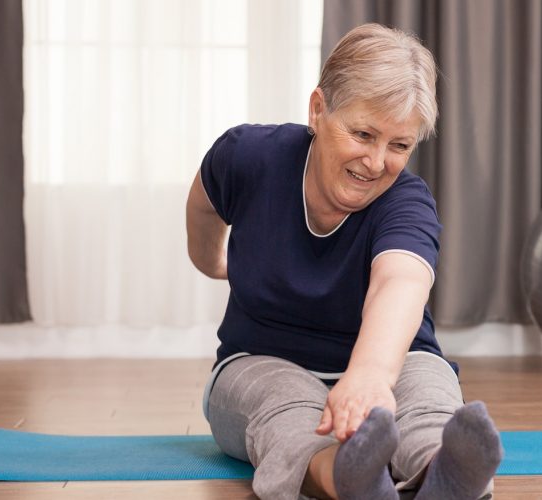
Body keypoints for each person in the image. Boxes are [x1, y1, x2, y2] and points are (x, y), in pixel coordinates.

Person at [185, 23, 502, 500]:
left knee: (427, 402)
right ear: (318, 110)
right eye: (363, 133)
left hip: (393, 361)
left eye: (399, 145)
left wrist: (371, 376)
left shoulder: (407, 200)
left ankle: (444, 473)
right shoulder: (248, 157)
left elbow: (401, 279)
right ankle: (348, 477)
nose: (376, 162)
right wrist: (212, 262)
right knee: (288, 410)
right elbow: (204, 204)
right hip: (262, 359)